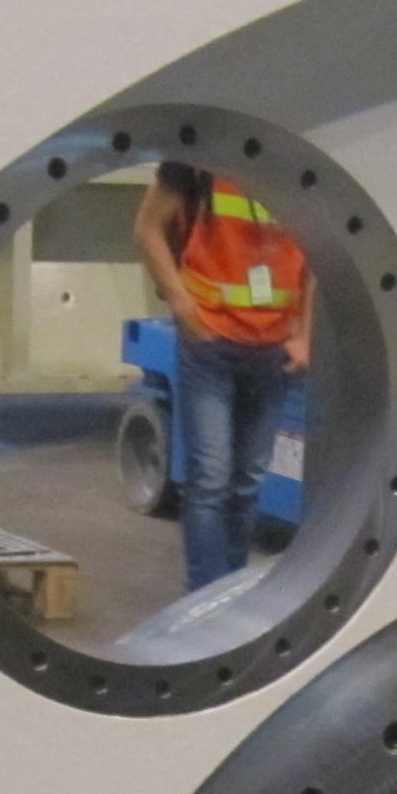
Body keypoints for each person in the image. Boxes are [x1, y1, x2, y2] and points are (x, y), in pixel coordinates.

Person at [135, 161, 311, 591]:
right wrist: (182, 306)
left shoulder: (301, 162)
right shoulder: (201, 160)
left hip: (272, 348)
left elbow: (316, 253)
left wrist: (304, 333)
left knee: (247, 483)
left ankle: (228, 596)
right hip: (210, 343)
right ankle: (203, 598)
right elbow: (147, 227)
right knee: (210, 480)